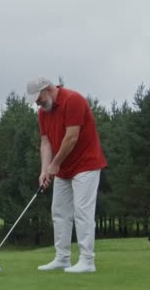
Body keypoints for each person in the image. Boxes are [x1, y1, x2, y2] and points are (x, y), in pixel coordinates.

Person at [27, 77, 107, 273]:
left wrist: (55, 164)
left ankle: (87, 261)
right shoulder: (43, 113)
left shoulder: (73, 100)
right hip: (64, 167)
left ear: (48, 89)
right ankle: (62, 258)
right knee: (60, 211)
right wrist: (44, 170)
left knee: (82, 211)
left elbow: (71, 138)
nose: (38, 103)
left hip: (86, 164)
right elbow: (45, 143)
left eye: (39, 98)